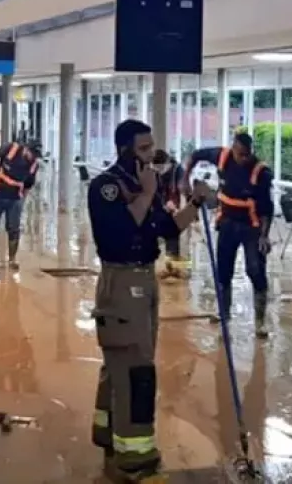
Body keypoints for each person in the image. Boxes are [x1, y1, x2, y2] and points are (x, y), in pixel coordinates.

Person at [89, 120, 203, 482]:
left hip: (144, 279)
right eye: (142, 149)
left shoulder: (142, 187)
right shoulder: (105, 187)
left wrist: (197, 202)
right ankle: (135, 458)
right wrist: (147, 192)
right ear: (124, 150)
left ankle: (107, 433)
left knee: (123, 362)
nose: (150, 156)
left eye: (151, 148)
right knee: (134, 368)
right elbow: (123, 230)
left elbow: (167, 228)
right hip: (120, 281)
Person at [185, 131, 275, 338]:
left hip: (252, 228)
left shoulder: (260, 172)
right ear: (233, 148)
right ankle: (224, 312)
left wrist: (264, 236)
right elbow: (195, 155)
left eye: (248, 155)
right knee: (223, 270)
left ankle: (260, 321)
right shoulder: (222, 156)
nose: (244, 159)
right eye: (241, 154)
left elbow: (267, 209)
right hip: (226, 224)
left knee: (255, 271)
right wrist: (185, 179)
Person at [0, 139, 39, 269]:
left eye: (35, 155)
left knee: (14, 229)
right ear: (26, 148)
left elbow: (28, 185)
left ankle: (12, 259)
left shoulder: (34, 164)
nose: (32, 157)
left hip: (15, 199)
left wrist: (22, 201)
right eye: (32, 153)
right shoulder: (10, 148)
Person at [152, 150, 189, 281]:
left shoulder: (178, 171)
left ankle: (173, 269)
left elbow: (184, 191)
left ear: (167, 163)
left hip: (176, 209)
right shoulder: (154, 173)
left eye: (161, 167)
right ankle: (155, 267)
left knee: (172, 238)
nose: (159, 170)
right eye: (156, 168)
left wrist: (179, 208)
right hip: (160, 208)